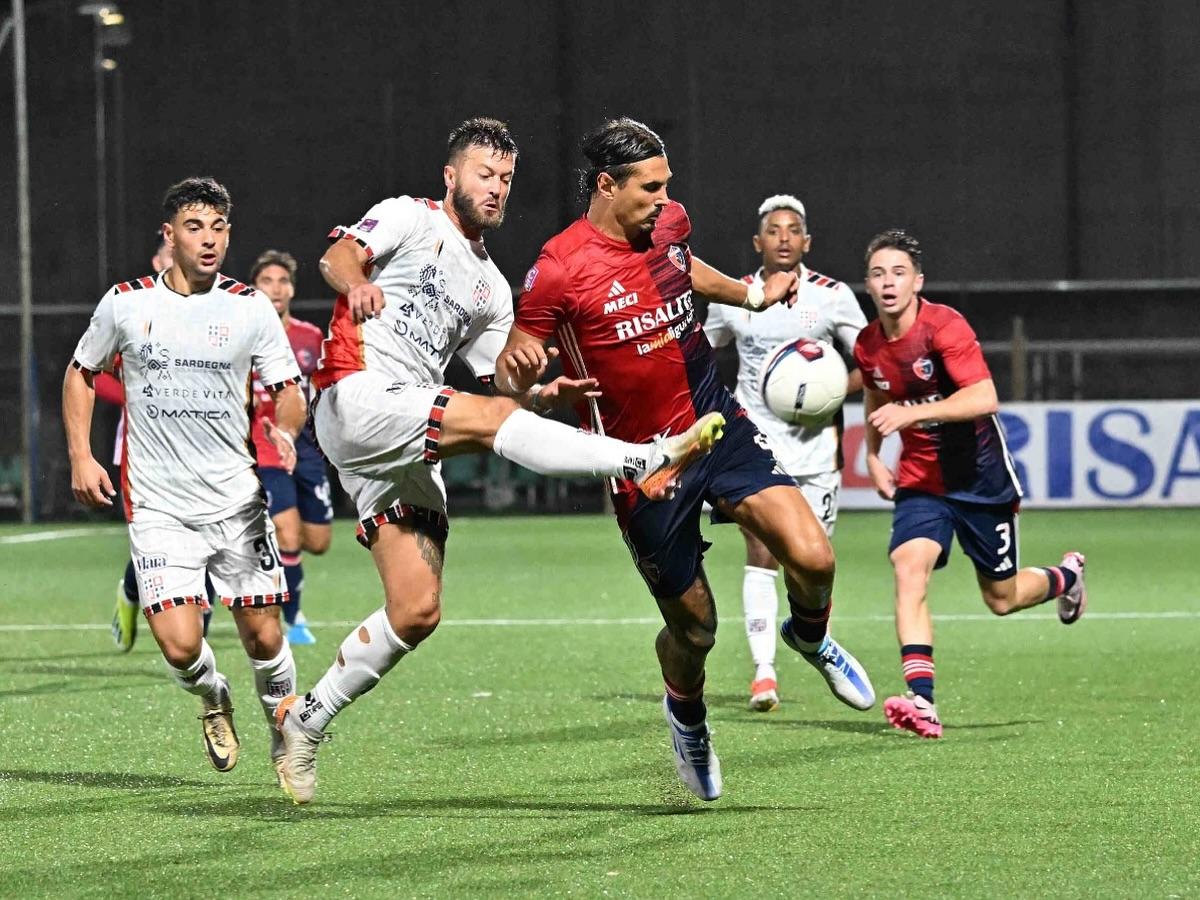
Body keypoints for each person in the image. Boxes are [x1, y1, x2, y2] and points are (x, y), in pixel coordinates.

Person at [273, 117, 723, 805]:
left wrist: (544, 391)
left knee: (416, 610)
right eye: (485, 174)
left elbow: (501, 383)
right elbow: (338, 257)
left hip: (406, 429)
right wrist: (356, 282)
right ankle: (639, 459)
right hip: (356, 396)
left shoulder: (489, 285)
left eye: (507, 178)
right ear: (451, 176)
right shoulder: (408, 217)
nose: (497, 188)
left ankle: (304, 720)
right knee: (487, 423)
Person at [498, 118, 875, 803]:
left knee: (814, 558)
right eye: (652, 187)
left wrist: (750, 295)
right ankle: (688, 718)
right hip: (645, 464)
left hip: (713, 422)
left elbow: (684, 268)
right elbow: (512, 366)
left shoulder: (668, 225)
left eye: (667, 185)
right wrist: (525, 375)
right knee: (696, 628)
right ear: (607, 185)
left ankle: (809, 636)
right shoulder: (558, 268)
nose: (666, 200)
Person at [64, 176, 306, 778]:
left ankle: (286, 731)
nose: (209, 239)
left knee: (263, 638)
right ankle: (213, 696)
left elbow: (287, 389)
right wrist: (81, 456)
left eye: (219, 228)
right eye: (195, 227)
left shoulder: (249, 306)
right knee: (179, 645)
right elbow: (81, 372)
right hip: (159, 506)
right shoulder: (126, 302)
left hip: (236, 501)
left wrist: (286, 428)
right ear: (169, 236)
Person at [854, 229, 1087, 739]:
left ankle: (1066, 577)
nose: (888, 282)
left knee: (1001, 598)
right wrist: (872, 455)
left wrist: (912, 415)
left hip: (980, 479)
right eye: (878, 274)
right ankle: (922, 700)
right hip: (921, 481)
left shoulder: (944, 326)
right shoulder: (868, 344)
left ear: (918, 282)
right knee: (908, 568)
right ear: (867, 285)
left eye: (898, 273)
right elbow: (876, 396)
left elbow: (984, 397)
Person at [705, 194, 868, 712]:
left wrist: (835, 391)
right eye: (773, 230)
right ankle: (764, 672)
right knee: (761, 553)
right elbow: (698, 354)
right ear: (758, 242)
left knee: (812, 565)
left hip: (817, 452)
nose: (783, 237)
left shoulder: (834, 297)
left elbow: (872, 359)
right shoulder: (734, 296)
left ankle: (811, 638)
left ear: (807, 242)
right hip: (755, 448)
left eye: (792, 229)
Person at [106, 235, 218, 651]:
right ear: (156, 261)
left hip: (204, 447)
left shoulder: (217, 310)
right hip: (145, 450)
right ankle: (132, 592)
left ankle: (195, 619)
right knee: (160, 537)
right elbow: (92, 372)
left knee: (207, 528)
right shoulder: (132, 310)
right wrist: (139, 394)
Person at [249, 249, 332, 646]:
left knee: (317, 541)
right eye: (267, 281)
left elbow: (322, 392)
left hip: (307, 449)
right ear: (254, 288)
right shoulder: (242, 336)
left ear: (292, 290)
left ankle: (262, 560)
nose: (276, 289)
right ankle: (294, 618)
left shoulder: (310, 337)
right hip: (263, 448)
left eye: (283, 281)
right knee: (288, 534)